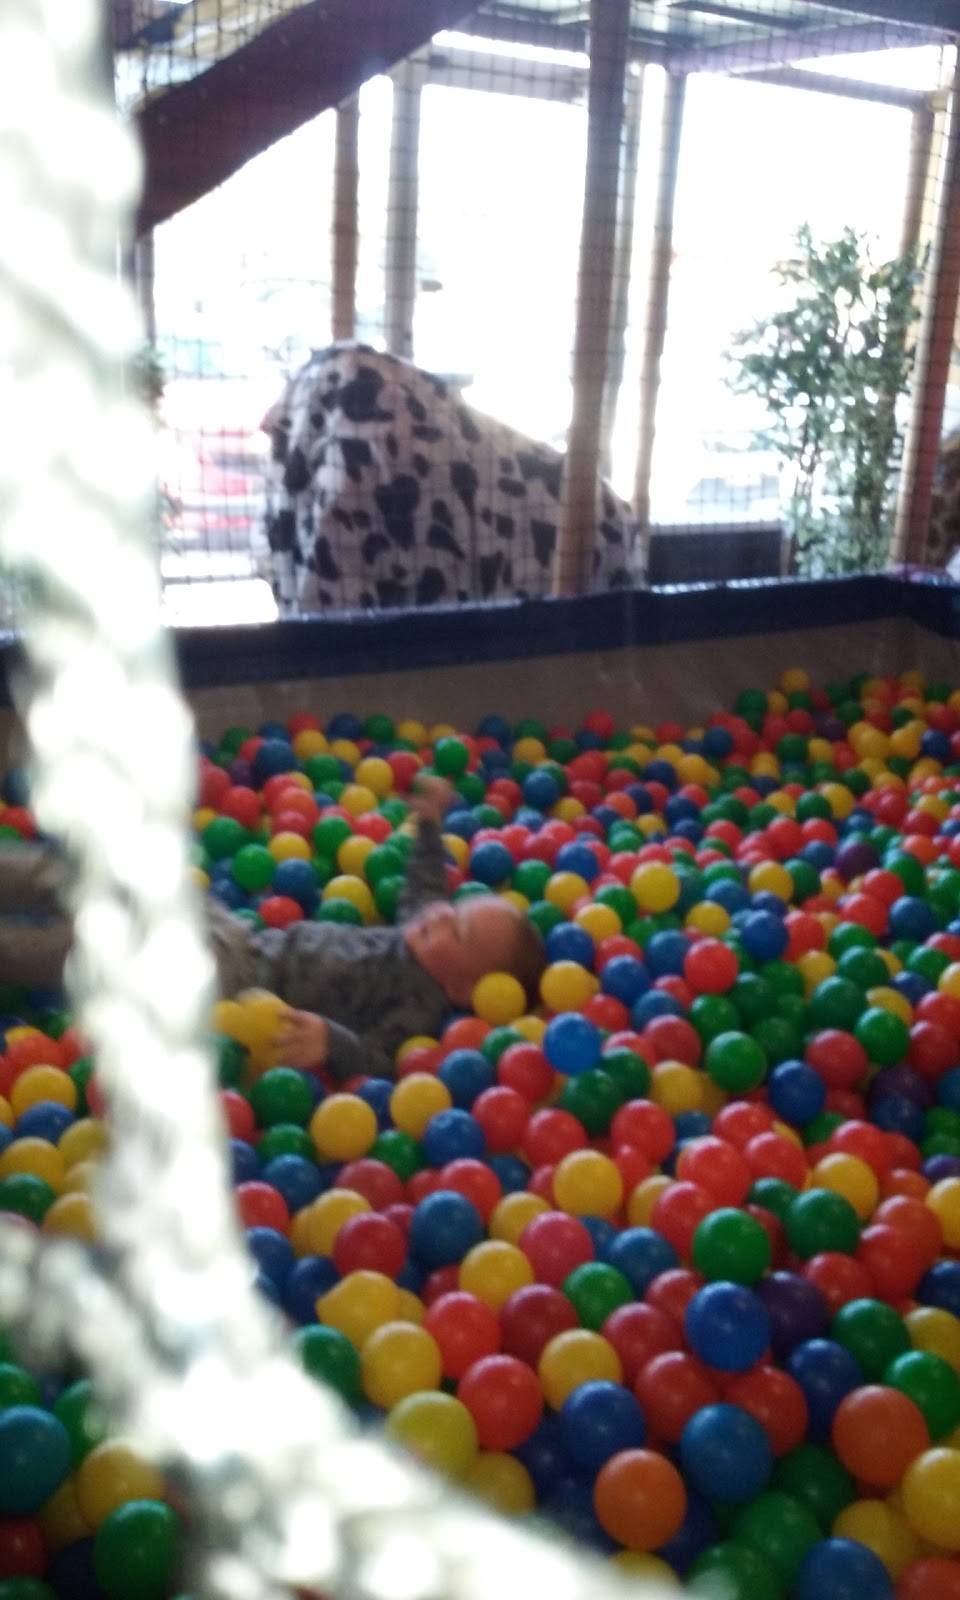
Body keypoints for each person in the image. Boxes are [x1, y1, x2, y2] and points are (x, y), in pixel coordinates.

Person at [0, 780, 545, 1082]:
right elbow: (425, 885)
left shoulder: (419, 1002)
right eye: (457, 909)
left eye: (461, 934)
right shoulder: (421, 928)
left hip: (232, 986)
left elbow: (383, 1059)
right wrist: (428, 822)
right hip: (238, 935)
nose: (443, 915)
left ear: (461, 989)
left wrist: (330, 1039)